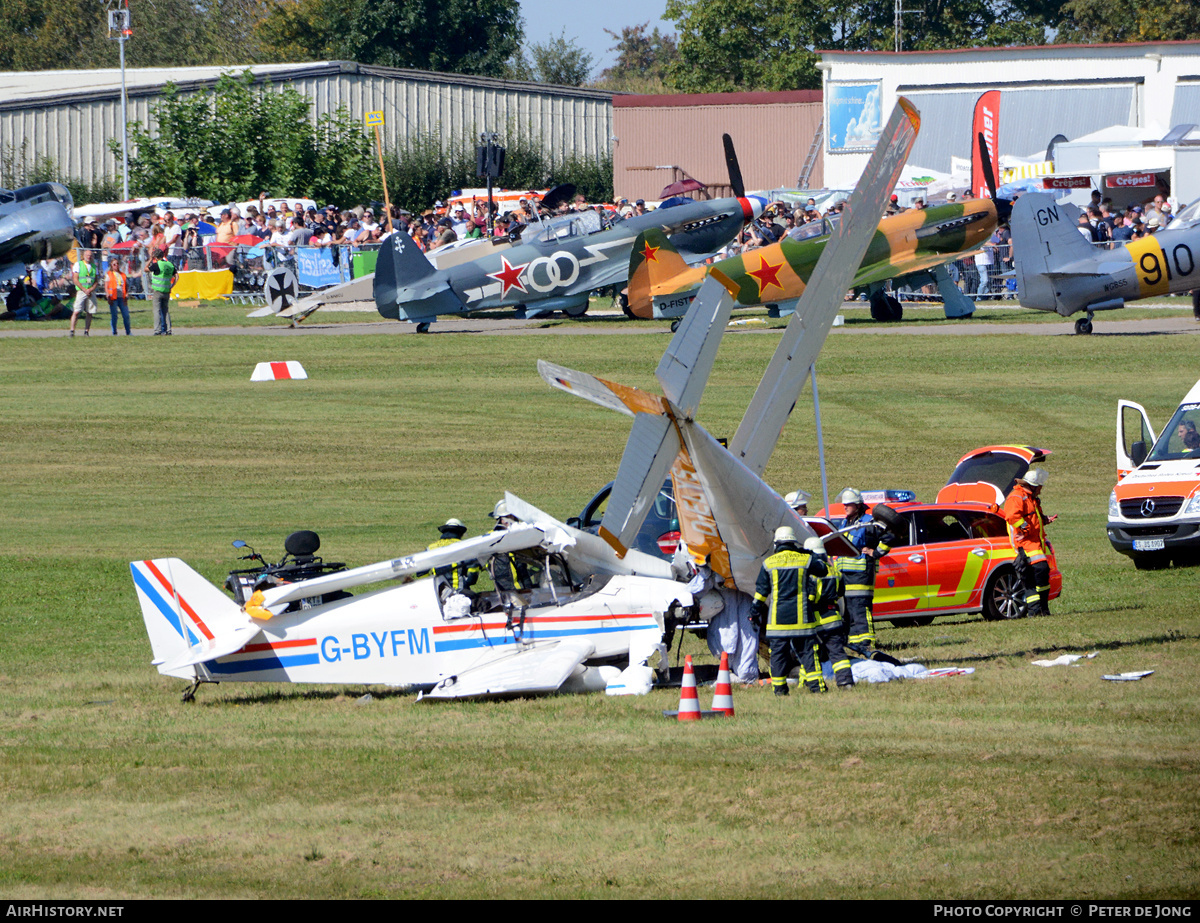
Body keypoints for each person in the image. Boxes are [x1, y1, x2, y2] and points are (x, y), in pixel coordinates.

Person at [751, 528, 850, 695]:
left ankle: (780, 691)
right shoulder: (805, 560)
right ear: (793, 542)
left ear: (776, 544)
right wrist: (805, 552)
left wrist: (754, 611)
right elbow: (823, 569)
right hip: (801, 620)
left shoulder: (769, 563)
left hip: (777, 621)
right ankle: (817, 688)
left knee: (778, 656)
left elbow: (761, 592)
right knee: (807, 655)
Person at [836, 488, 895, 661]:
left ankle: (867, 643)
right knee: (848, 611)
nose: (845, 507)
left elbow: (889, 537)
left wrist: (875, 553)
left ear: (858, 505)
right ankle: (853, 643)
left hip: (861, 574)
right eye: (844, 504)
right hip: (845, 576)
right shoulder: (845, 522)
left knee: (860, 609)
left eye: (848, 504)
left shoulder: (869, 522)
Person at [686, 559, 760, 684]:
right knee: (727, 640)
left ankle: (746, 675)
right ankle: (733, 671)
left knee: (747, 639)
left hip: (745, 602)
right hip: (726, 607)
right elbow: (700, 583)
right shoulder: (714, 562)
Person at [1002, 468, 1056, 616]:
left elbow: (1034, 517)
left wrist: (1045, 520)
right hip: (1025, 544)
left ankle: (1041, 610)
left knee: (1040, 575)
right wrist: (1024, 527)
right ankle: (1035, 611)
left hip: (1035, 542)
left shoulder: (1031, 498)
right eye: (1040, 487)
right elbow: (1012, 516)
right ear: (1032, 485)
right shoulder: (1017, 497)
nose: (1041, 490)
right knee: (1039, 570)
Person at [423, 518, 480, 597]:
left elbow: (421, 572)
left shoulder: (430, 548)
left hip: (438, 595)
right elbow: (473, 571)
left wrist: (430, 585)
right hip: (459, 594)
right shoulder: (464, 546)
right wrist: (467, 583)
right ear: (460, 533)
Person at [144, 248, 178, 336]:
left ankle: (157, 330)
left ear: (155, 257)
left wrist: (150, 259)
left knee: (157, 311)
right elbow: (177, 276)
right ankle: (168, 330)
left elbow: (146, 269)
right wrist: (172, 285)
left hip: (158, 291)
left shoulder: (157, 264)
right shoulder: (169, 264)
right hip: (167, 290)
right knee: (165, 311)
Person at [69, 248, 99, 337]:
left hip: (91, 291)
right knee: (77, 311)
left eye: (90, 255)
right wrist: (83, 289)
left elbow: (96, 280)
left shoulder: (94, 266)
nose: (89, 257)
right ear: (84, 256)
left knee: (90, 311)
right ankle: (72, 330)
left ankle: (86, 331)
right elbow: (75, 279)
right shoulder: (78, 264)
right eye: (87, 255)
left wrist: (91, 289)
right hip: (81, 291)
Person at [104, 257, 132, 336]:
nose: (116, 266)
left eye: (117, 264)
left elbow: (125, 286)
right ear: (111, 266)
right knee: (114, 315)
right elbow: (106, 286)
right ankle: (114, 332)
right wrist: (108, 296)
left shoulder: (122, 275)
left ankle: (128, 331)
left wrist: (126, 294)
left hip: (122, 297)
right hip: (113, 297)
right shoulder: (109, 274)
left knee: (126, 315)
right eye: (114, 264)